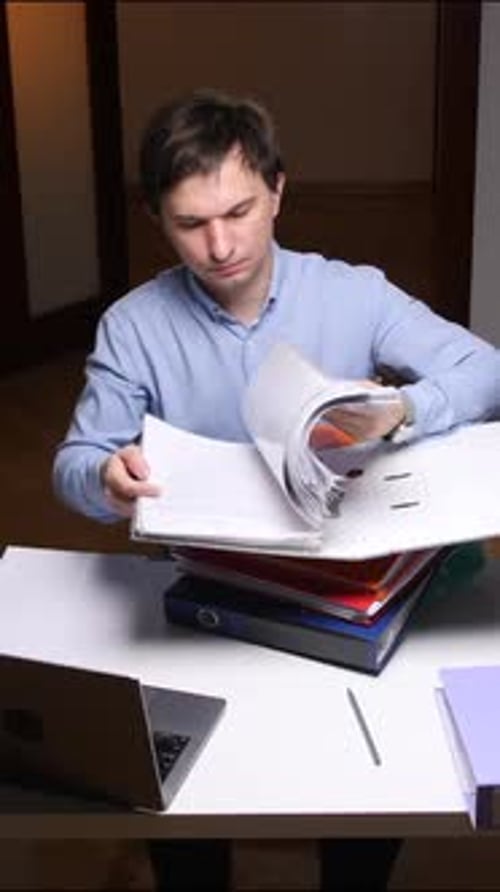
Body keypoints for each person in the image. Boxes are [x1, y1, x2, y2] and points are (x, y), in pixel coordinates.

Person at [53, 89, 499, 891]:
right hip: (206, 584)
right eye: (191, 223)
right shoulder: (134, 324)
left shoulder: (353, 292)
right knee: (185, 802)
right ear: (158, 217)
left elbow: (485, 369)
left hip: (348, 575)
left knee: (362, 793)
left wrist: (404, 409)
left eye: (239, 211)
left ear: (279, 189)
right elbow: (77, 460)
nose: (220, 245)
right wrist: (106, 480)